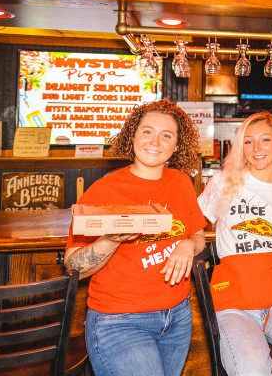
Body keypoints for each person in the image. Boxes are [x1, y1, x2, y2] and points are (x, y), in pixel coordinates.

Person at [64, 98, 206, 376]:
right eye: (147, 131)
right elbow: (74, 267)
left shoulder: (181, 182)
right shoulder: (103, 190)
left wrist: (188, 244)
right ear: (132, 136)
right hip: (119, 321)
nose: (155, 141)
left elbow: (198, 235)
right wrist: (110, 240)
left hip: (178, 317)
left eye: (167, 135)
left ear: (177, 144)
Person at [197, 111, 272, 375]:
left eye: (265, 139)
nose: (257, 148)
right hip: (234, 303)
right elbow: (193, 222)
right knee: (251, 368)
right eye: (248, 141)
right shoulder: (224, 182)